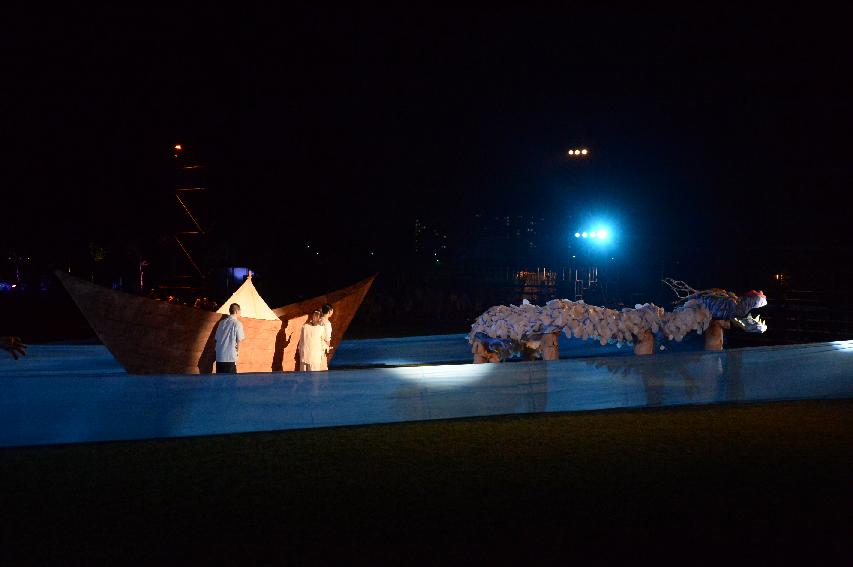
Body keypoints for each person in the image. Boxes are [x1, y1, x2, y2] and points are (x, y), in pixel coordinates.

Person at [214, 303, 244, 374]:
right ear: (236, 311)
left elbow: (216, 338)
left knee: (220, 382)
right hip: (230, 357)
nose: (240, 313)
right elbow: (239, 340)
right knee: (231, 382)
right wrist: (237, 353)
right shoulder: (237, 323)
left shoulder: (221, 323)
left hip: (219, 357)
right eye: (240, 311)